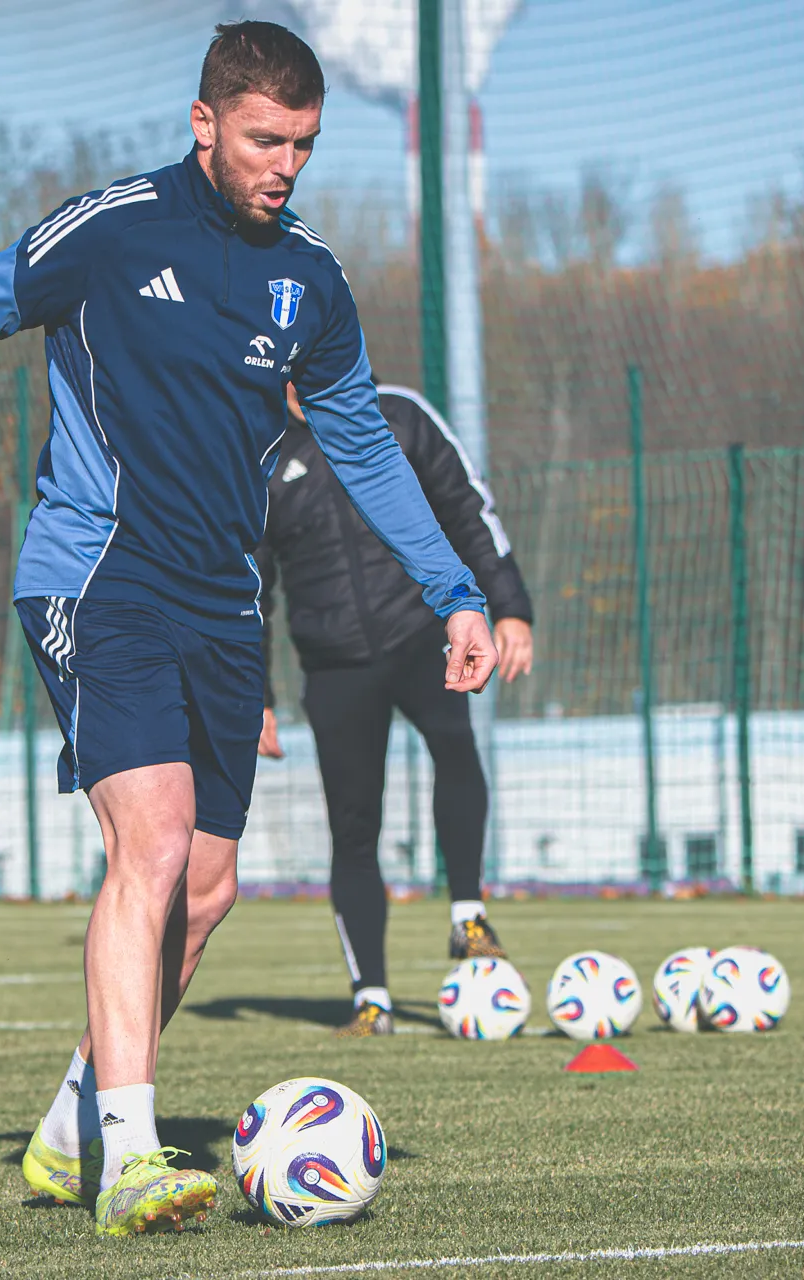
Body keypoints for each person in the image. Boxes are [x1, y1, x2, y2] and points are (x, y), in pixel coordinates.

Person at [0, 21, 496, 1238]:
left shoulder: (313, 279)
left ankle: (68, 1125)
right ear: (205, 124)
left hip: (223, 602)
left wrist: (455, 589)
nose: (284, 165)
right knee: (151, 839)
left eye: (302, 144)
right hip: (98, 575)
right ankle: (131, 1155)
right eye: (264, 140)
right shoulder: (113, 229)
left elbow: (359, 441)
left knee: (206, 884)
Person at [257, 382, 534, 1036]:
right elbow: (252, 584)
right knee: (353, 825)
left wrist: (510, 606)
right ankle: (371, 999)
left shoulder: (399, 414)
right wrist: (254, 695)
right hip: (335, 664)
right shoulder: (262, 450)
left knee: (455, 746)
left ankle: (468, 916)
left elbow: (469, 510)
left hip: (422, 636)